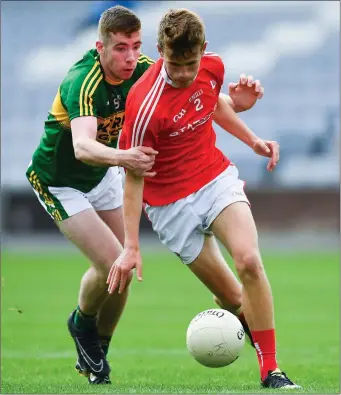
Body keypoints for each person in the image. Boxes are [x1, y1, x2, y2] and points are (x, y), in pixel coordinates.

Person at [26, 5, 266, 386]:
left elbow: (191, 94)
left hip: (106, 173)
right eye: (120, 48)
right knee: (110, 262)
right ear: (100, 46)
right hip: (61, 180)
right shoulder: (83, 82)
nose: (129, 57)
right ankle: (82, 323)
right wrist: (126, 157)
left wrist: (236, 106)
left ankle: (97, 349)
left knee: (122, 269)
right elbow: (84, 147)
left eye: (135, 47)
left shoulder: (145, 67)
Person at [107, 8, 301, 390]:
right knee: (232, 296)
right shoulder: (143, 103)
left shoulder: (212, 68)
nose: (183, 73)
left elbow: (213, 104)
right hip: (170, 206)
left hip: (214, 180)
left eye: (190, 64)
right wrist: (130, 247)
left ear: (203, 51)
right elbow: (133, 176)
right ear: (161, 50)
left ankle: (271, 371)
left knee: (249, 261)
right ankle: (232, 312)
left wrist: (253, 140)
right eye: (175, 64)